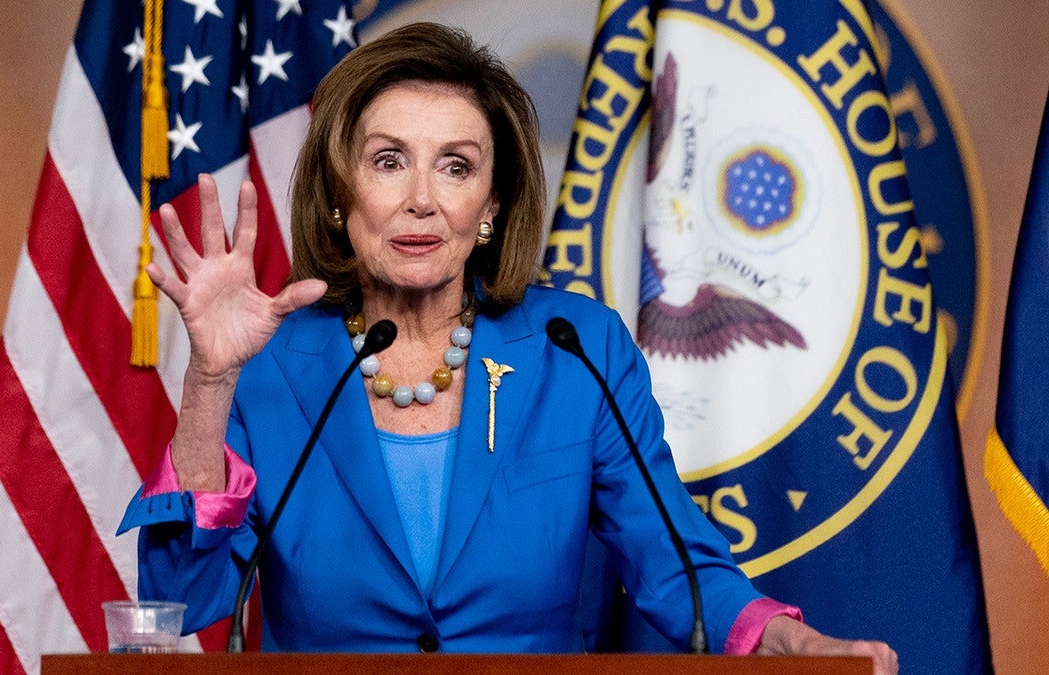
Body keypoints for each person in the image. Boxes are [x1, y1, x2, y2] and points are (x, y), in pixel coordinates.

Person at [117, 21, 898, 671]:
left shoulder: (576, 351)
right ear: (339, 195)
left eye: (455, 166)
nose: (422, 196)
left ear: (490, 206)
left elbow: (674, 562)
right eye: (389, 161)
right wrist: (210, 381)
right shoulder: (273, 364)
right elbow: (183, 598)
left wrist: (784, 636)